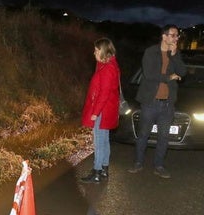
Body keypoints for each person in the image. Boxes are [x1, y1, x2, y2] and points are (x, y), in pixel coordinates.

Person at [128, 24, 187, 178]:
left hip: (167, 104)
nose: (176, 38)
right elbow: (149, 74)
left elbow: (183, 72)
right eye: (173, 35)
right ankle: (138, 162)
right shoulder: (150, 52)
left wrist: (174, 55)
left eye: (177, 35)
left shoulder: (175, 53)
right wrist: (169, 77)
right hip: (150, 102)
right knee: (143, 134)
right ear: (164, 36)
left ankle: (159, 165)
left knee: (164, 137)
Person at [79, 38, 121, 183]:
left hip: (103, 111)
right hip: (106, 110)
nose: (94, 52)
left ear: (103, 51)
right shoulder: (107, 65)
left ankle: (97, 172)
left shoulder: (108, 69)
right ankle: (104, 169)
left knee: (99, 141)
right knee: (104, 140)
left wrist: (95, 113)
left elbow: (104, 94)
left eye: (97, 50)